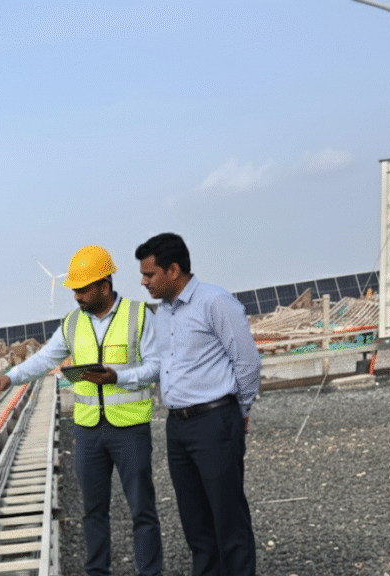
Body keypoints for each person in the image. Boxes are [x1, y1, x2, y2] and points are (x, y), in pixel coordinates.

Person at [0, 245, 162, 576]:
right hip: (88, 431)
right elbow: (44, 359)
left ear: (104, 286)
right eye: (75, 290)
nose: (77, 296)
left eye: (82, 289)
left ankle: (150, 572)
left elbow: (157, 367)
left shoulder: (139, 315)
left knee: (142, 510)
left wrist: (118, 377)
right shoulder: (71, 324)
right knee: (93, 511)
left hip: (130, 430)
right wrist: (9, 377)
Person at [134, 232, 260, 576]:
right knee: (195, 522)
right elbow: (163, 365)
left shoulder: (215, 302)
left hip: (215, 419)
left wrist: (240, 411)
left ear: (173, 270)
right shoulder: (164, 313)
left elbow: (247, 362)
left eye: (149, 274)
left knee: (227, 516)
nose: (143, 281)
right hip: (177, 426)